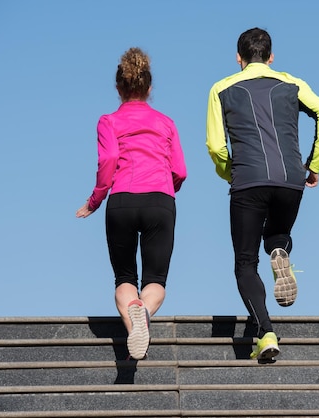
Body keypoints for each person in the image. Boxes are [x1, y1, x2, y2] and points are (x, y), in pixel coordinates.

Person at [206, 28, 319, 361]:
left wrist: (229, 172)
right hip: (291, 179)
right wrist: (315, 163)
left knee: (245, 263)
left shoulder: (221, 89)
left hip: (248, 179)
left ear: (239, 57)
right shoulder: (293, 84)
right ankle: (279, 250)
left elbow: (216, 146)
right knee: (277, 234)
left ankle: (266, 333)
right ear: (271, 56)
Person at [76, 47, 187, 360]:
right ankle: (144, 313)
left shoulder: (108, 121)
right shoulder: (166, 123)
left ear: (118, 88)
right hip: (160, 200)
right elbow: (180, 170)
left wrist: (96, 199)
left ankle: (133, 321)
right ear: (150, 89)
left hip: (122, 200)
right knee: (156, 281)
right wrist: (165, 190)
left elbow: (109, 158)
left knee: (124, 279)